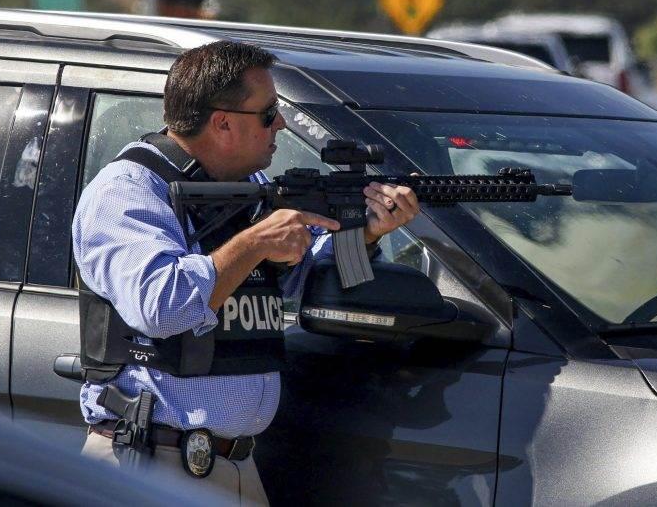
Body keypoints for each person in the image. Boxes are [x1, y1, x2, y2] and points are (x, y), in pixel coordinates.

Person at [73, 40, 420, 503]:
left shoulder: (248, 188)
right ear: (222, 122)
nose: (279, 124)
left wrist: (367, 234)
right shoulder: (128, 192)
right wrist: (255, 242)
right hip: (150, 461)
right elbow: (162, 306)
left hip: (232, 465)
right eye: (268, 113)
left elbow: (301, 277)